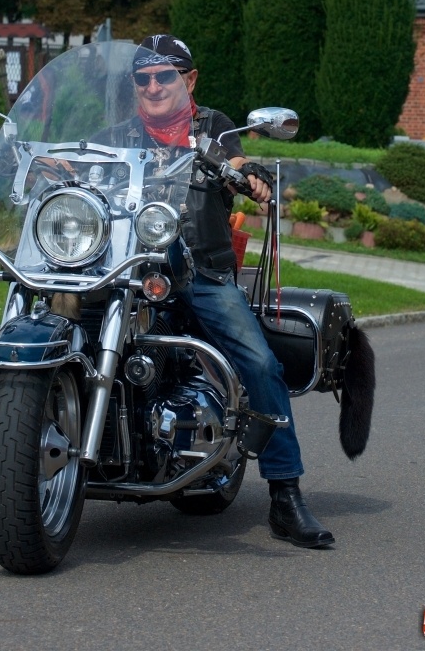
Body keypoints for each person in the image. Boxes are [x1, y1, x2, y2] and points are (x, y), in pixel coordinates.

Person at [127, 34, 334, 549]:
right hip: (127, 270)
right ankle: (20, 474)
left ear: (189, 80)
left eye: (165, 75)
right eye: (143, 78)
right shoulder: (119, 133)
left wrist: (251, 175)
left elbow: (233, 162)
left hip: (201, 273)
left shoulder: (211, 126)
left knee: (260, 364)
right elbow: (74, 163)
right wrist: (28, 163)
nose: (153, 86)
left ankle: (285, 494)